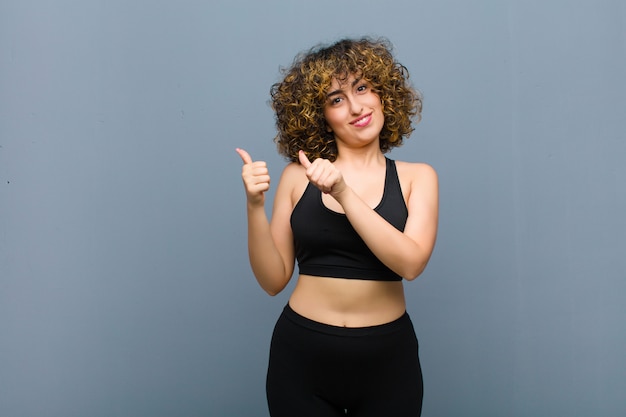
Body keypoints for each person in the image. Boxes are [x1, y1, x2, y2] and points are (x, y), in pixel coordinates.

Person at [236, 37, 438, 417]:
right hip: (301, 357)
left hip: (388, 361)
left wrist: (343, 192)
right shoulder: (297, 177)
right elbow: (272, 280)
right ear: (320, 114)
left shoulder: (418, 178)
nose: (356, 106)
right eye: (336, 99)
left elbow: (410, 265)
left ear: (384, 94)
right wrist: (254, 206)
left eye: (362, 88)